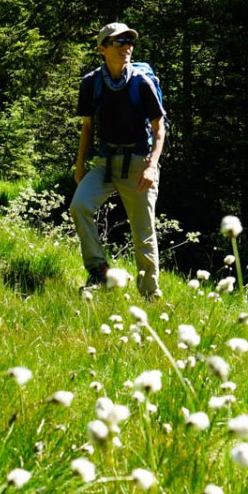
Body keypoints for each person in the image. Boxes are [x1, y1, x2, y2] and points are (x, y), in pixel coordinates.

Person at [69, 21, 166, 298]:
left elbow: (160, 128)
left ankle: (150, 295)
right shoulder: (91, 83)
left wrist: (151, 166)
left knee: (143, 234)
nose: (127, 46)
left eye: (129, 41)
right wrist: (80, 166)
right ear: (102, 49)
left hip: (138, 162)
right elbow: (88, 126)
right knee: (79, 206)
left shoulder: (141, 82)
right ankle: (99, 271)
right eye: (119, 42)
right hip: (106, 162)